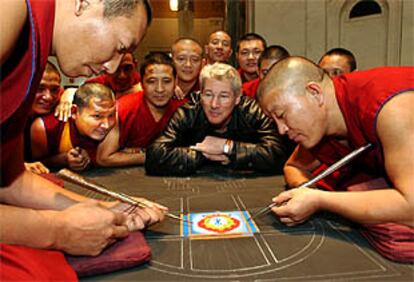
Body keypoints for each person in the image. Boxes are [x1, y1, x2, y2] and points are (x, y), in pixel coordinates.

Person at [0, 0, 165, 280]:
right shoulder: (11, 9)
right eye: (120, 47)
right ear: (85, 2)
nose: (112, 69)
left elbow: (10, 180)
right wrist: (57, 230)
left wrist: (104, 209)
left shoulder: (34, 51)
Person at [257, 56, 414, 262]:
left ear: (314, 93)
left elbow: (411, 206)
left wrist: (319, 200)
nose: (281, 130)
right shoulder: (324, 125)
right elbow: (293, 166)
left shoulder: (390, 107)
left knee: (398, 235)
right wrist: (306, 189)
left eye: (282, 114)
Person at [145, 63, 292, 176]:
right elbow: (155, 156)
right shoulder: (188, 112)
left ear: (237, 99)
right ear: (200, 94)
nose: (214, 104)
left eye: (223, 96)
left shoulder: (251, 111)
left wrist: (228, 147)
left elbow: (278, 154)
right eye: (208, 95)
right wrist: (204, 153)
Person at [96, 52, 186, 167]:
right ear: (142, 83)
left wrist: (132, 154)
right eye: (151, 81)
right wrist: (153, 155)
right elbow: (104, 158)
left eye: (167, 81)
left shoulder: (185, 110)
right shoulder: (123, 109)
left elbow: (196, 150)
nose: (160, 89)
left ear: (176, 82)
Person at [31, 83, 116, 171]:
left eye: (111, 115)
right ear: (74, 112)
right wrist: (63, 159)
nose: (106, 125)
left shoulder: (116, 123)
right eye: (97, 116)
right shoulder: (46, 127)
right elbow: (36, 165)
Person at [55, 52, 142, 122]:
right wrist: (67, 96)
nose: (122, 75)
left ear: (135, 65)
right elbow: (78, 91)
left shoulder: (144, 84)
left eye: (127, 68)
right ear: (106, 69)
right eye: (116, 69)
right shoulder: (100, 83)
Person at [24, 61, 63, 174]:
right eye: (39, 88)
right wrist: (19, 166)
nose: (48, 97)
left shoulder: (60, 103)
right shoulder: (7, 112)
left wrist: (68, 96)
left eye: (54, 90)